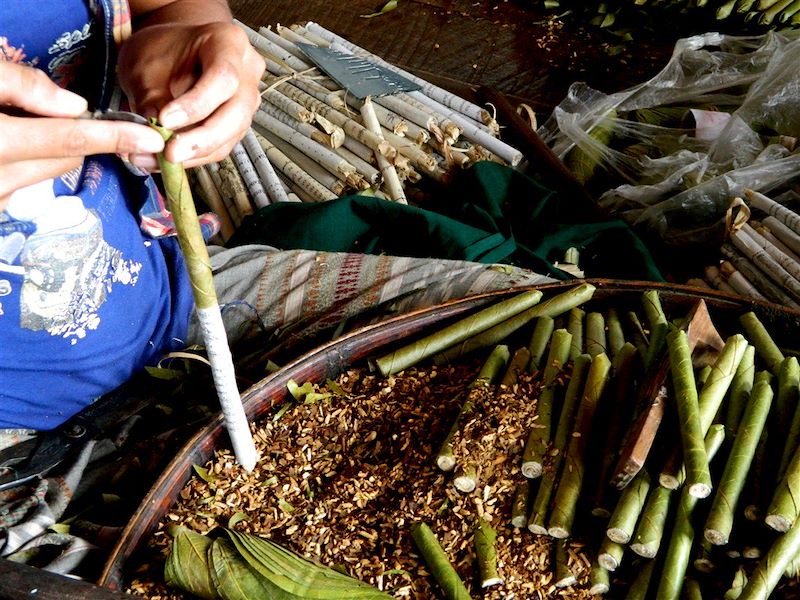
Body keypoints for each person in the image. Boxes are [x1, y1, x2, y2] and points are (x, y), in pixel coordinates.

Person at [0, 0, 550, 433]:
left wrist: (190, 36)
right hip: (18, 444)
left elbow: (168, 7)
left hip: (176, 293)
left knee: (542, 318)